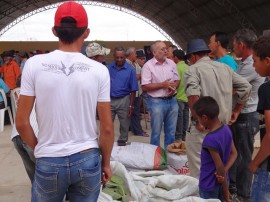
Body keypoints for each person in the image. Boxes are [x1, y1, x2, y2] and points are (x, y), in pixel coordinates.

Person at [16, 2, 114, 201]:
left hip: (49, 159)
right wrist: (105, 163)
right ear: (86, 33)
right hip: (87, 157)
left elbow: (21, 122)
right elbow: (107, 128)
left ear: (54, 31)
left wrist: (42, 150)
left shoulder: (34, 65)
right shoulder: (99, 70)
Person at [184, 38, 251, 179]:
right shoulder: (225, 68)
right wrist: (237, 110)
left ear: (193, 56)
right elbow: (247, 87)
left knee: (199, 173)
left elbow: (193, 95)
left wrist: (199, 121)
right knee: (220, 171)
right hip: (223, 129)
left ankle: (202, 200)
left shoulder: (193, 70)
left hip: (203, 130)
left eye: (189, 59)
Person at [229, 28, 265, 201]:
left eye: (235, 44)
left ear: (241, 45)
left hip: (246, 116)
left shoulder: (251, 65)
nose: (233, 47)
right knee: (236, 155)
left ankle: (243, 195)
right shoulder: (243, 63)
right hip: (241, 115)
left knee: (243, 157)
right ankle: (234, 187)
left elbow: (233, 88)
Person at [194, 96, 237, 202]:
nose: (198, 121)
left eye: (198, 119)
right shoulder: (226, 129)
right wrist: (224, 175)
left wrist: (227, 194)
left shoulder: (210, 139)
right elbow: (234, 154)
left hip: (208, 184)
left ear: (204, 118)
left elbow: (220, 167)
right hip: (222, 181)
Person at [141, 40, 180, 149]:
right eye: (162, 49)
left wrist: (174, 87)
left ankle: (169, 156)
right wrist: (163, 85)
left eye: (166, 49)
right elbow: (144, 86)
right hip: (156, 102)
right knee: (156, 133)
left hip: (172, 101)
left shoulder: (171, 63)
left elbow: (177, 80)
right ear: (154, 52)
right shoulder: (148, 66)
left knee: (171, 132)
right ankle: (155, 158)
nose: (166, 51)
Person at [248, 36, 270, 201]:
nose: (253, 65)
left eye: (255, 60)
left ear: (267, 60)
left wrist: (255, 162)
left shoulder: (266, 89)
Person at [108, 46, 138, 144]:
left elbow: (133, 89)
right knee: (107, 124)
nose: (119, 59)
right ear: (114, 57)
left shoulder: (130, 70)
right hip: (109, 100)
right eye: (117, 57)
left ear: (125, 57)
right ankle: (107, 144)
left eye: (121, 57)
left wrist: (131, 105)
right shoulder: (108, 68)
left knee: (124, 125)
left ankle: (122, 143)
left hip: (124, 100)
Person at [126, 47, 148, 137]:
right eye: (135, 53)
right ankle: (138, 131)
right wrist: (140, 76)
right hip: (130, 92)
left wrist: (140, 76)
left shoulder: (135, 64)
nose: (136, 55)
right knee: (135, 112)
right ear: (131, 54)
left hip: (138, 91)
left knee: (135, 111)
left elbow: (140, 76)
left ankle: (132, 127)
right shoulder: (126, 64)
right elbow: (131, 77)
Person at [173, 49, 189, 142]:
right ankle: (184, 135)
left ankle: (178, 136)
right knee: (186, 117)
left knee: (179, 118)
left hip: (179, 96)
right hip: (187, 97)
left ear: (176, 57)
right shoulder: (188, 67)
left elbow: (176, 83)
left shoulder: (176, 68)